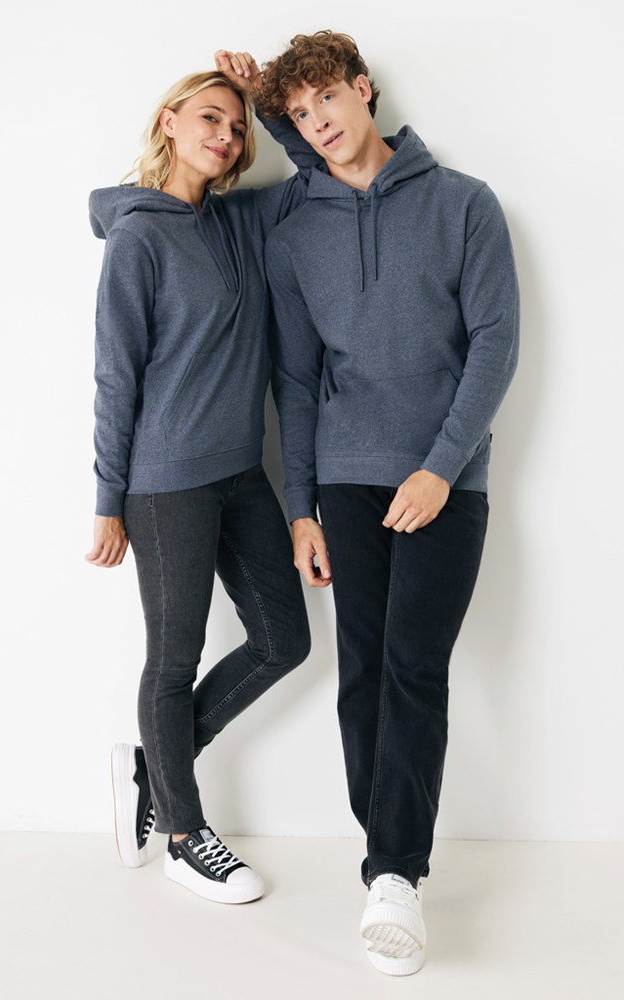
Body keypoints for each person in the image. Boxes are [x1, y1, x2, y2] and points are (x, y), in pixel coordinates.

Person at [258, 30, 519, 973]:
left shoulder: (463, 204)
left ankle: (394, 872)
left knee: (414, 666)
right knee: (362, 671)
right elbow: (295, 380)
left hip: (444, 478)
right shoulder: (294, 232)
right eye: (298, 114)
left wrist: (441, 466)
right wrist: (300, 507)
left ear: (362, 89)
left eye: (327, 97)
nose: (318, 121)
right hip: (343, 476)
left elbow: (494, 341)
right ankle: (389, 868)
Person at [85, 56, 318, 905]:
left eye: (236, 125)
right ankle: (184, 836)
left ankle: (153, 769)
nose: (225, 135)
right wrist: (108, 500)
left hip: (240, 474)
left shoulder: (239, 220)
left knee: (283, 642)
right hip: (164, 484)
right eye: (210, 118)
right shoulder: (138, 239)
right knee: (173, 660)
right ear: (170, 122)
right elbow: (116, 377)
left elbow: (318, 172)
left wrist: (268, 103)